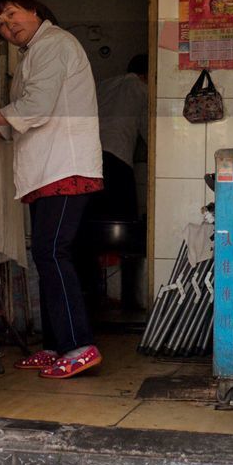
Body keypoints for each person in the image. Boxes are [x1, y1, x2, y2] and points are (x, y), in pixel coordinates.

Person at [0, 0, 104, 379]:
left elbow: (34, 109)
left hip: (65, 166)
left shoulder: (54, 43)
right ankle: (57, 345)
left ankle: (79, 346)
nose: (9, 26)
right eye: (1, 24)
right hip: (47, 168)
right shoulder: (35, 54)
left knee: (52, 252)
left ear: (33, 8)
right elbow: (21, 124)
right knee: (47, 255)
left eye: (12, 14)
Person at [78, 55, 148, 310]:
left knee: (90, 229)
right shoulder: (141, 89)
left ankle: (91, 292)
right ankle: (127, 299)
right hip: (117, 162)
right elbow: (148, 132)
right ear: (147, 75)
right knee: (126, 228)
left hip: (88, 161)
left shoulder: (103, 85)